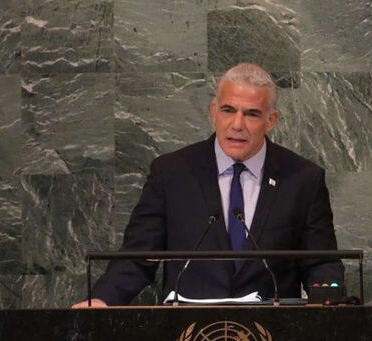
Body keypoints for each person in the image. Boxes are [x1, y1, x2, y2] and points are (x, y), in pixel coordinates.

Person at [73, 63, 343, 308]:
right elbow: (137, 257)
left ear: (270, 120)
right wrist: (102, 300)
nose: (237, 125)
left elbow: (321, 263)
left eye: (251, 114)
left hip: (273, 339)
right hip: (186, 339)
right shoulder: (172, 173)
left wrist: (327, 301)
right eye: (228, 110)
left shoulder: (302, 179)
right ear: (213, 111)